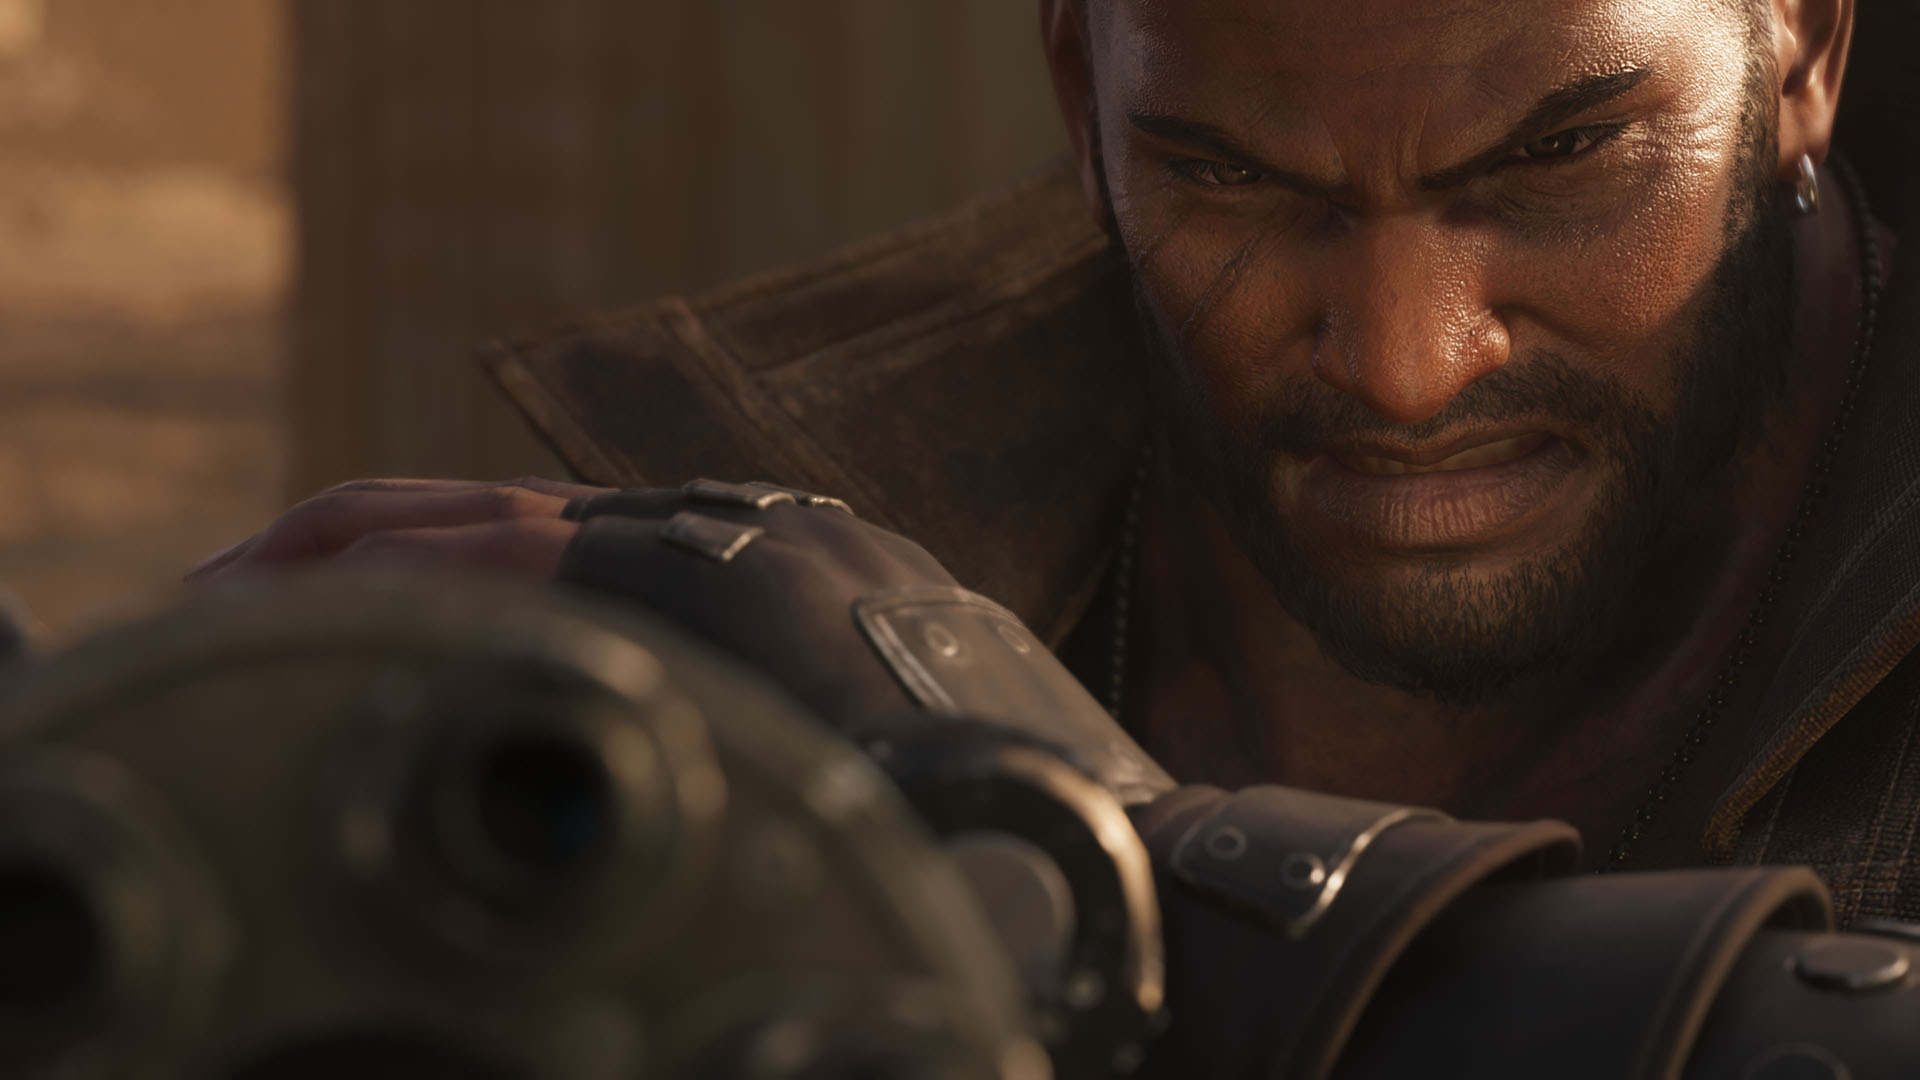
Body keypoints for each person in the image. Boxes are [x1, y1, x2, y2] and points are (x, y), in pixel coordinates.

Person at [197, 0, 1916, 918]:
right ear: (1082, 93)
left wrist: (1081, 842)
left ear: (1805, 45)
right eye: (1235, 178)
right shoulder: (730, 569)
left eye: (1556, 160)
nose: (1406, 366)